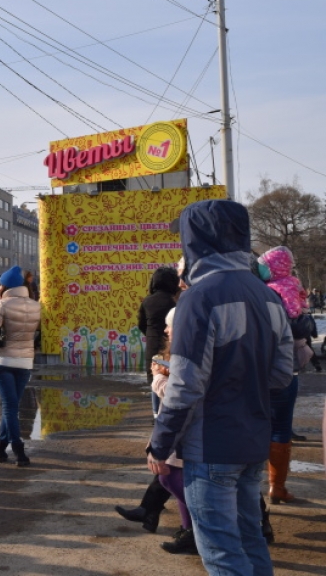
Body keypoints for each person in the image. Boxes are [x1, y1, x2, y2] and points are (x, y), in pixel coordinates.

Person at [148, 199, 293, 576]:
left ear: (197, 240)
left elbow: (185, 385)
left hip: (210, 444)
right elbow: (282, 374)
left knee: (222, 554)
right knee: (249, 541)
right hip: (252, 440)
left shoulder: (199, 296)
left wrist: (161, 443)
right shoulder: (268, 295)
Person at [259, 245, 312, 504]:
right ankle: (277, 486)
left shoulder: (265, 293)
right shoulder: (294, 287)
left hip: (263, 370)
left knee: (257, 425)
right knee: (281, 429)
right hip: (289, 367)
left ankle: (250, 486)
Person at [0, 265, 41, 467]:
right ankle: (0, 448)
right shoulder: (35, 305)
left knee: (9, 408)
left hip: (2, 361)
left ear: (6, 286)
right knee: (12, 406)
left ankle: (18, 448)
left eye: (0, 285)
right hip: (25, 361)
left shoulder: (3, 304)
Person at [150, 308, 196, 555]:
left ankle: (198, 527)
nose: (166, 330)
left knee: (168, 476)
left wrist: (158, 379)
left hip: (186, 427)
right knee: (172, 474)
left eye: (170, 326)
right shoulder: (180, 351)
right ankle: (189, 530)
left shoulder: (187, 354)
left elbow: (177, 395)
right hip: (184, 427)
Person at [138, 267, 180, 389]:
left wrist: (151, 335)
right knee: (170, 383)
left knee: (154, 381)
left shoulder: (147, 301)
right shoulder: (175, 301)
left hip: (152, 346)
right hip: (171, 347)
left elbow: (141, 324)